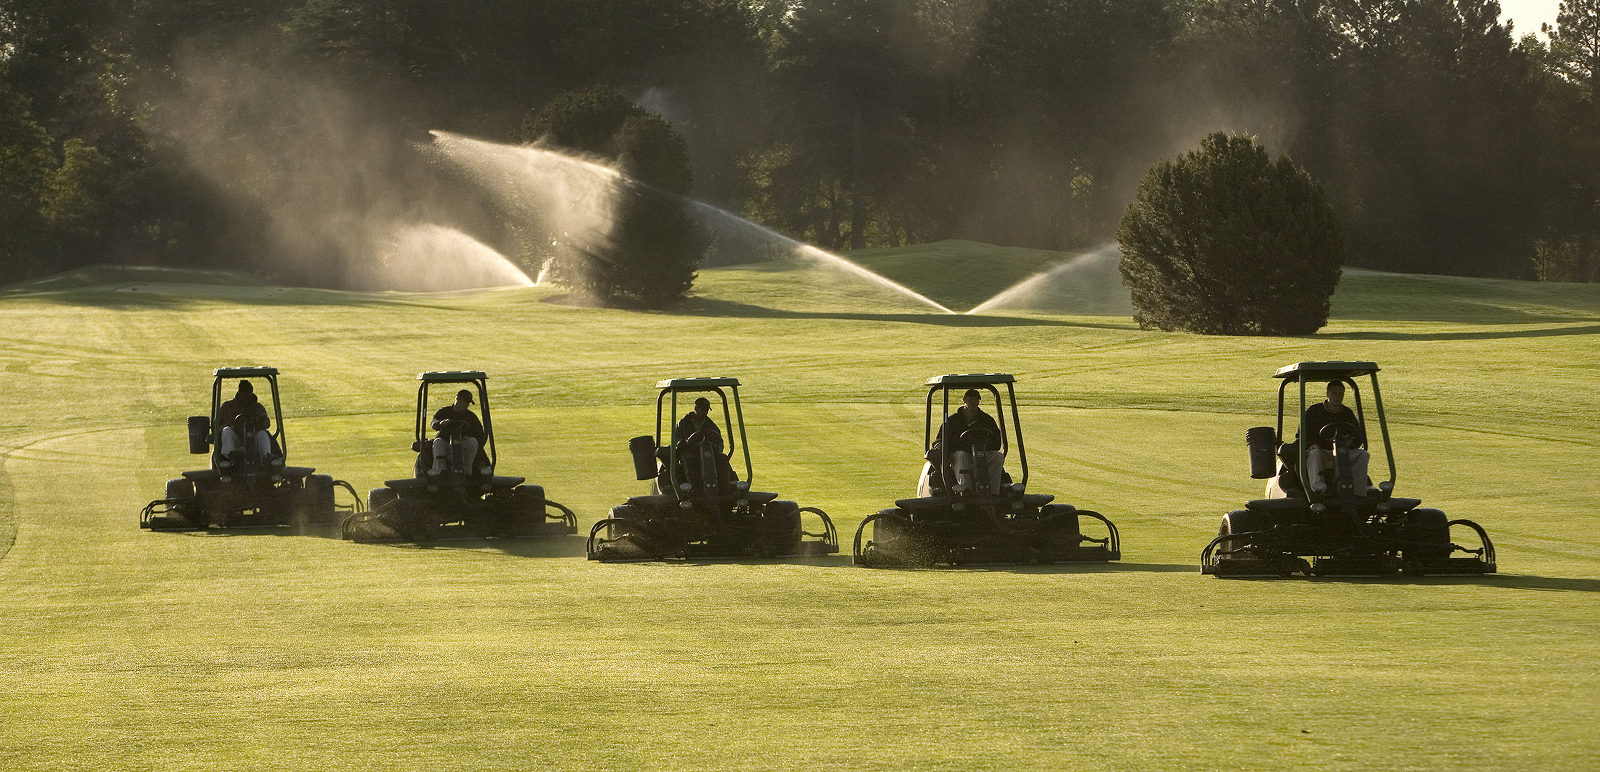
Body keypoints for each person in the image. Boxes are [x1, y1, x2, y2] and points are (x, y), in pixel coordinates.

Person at [1301, 380, 1370, 495]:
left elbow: (1358, 436)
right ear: (1327, 393)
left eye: (1340, 394)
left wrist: (1351, 442)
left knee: (1363, 455)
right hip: (1322, 451)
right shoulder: (1314, 411)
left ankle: (1358, 493)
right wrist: (1311, 444)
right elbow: (1301, 435)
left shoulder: (1347, 413)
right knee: (1314, 454)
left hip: (1342, 452)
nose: (1337, 397)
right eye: (1334, 393)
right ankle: (1317, 491)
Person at [931, 388, 1005, 494]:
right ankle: (966, 491)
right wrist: (939, 444)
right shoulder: (952, 420)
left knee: (998, 456)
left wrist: (984, 446)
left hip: (981, 455)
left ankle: (992, 492)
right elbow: (939, 438)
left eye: (976, 400)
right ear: (964, 400)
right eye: (970, 399)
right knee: (962, 456)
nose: (973, 402)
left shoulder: (986, 420)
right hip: (958, 454)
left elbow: (996, 442)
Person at [431, 389, 489, 476]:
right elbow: (434, 423)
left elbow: (481, 435)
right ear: (458, 399)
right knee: (438, 442)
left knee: (472, 442)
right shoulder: (444, 412)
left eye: (468, 403)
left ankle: (466, 473)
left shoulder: (470, 416)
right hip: (446, 443)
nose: (467, 405)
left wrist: (469, 438)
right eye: (466, 402)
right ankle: (440, 471)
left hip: (463, 446)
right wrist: (440, 423)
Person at [218, 380, 274, 467]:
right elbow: (216, 426)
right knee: (227, 431)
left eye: (249, 393)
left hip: (253, 438)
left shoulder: (257, 407)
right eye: (244, 392)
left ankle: (266, 459)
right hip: (235, 440)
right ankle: (228, 459)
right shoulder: (227, 407)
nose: (246, 396)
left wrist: (262, 420)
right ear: (239, 391)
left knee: (263, 434)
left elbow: (266, 425)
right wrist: (232, 427)